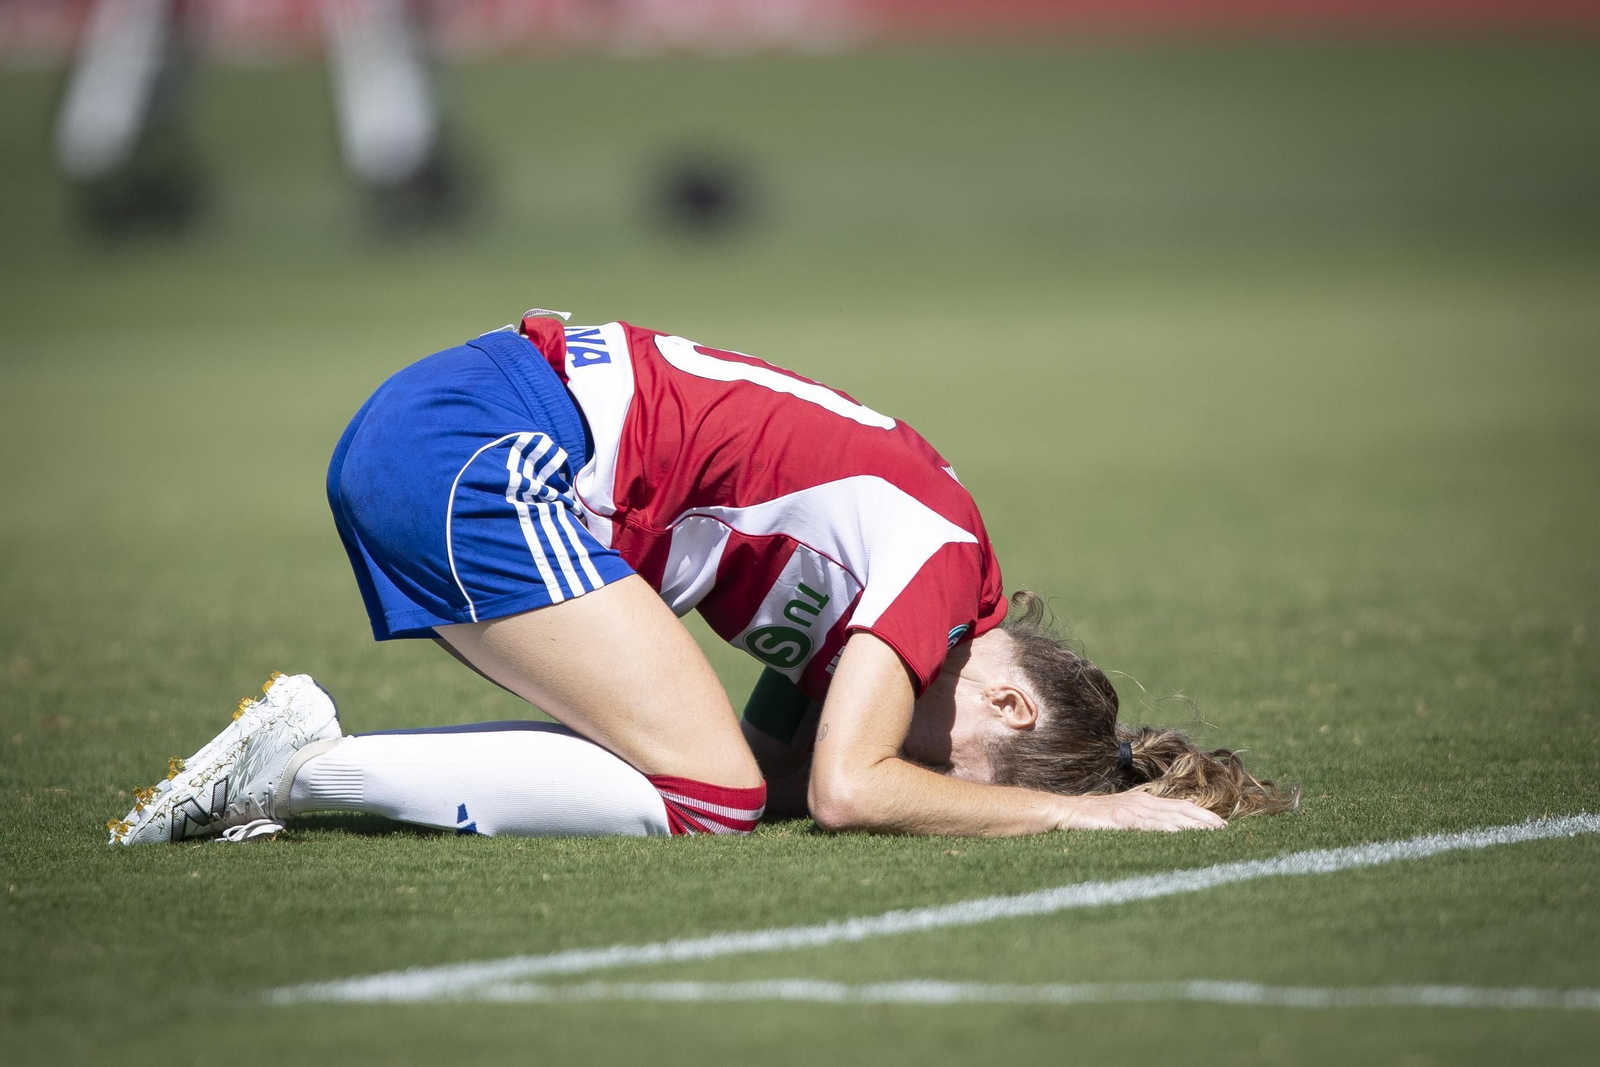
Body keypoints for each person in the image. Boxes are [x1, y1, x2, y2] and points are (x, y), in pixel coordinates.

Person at [107, 310, 1296, 846]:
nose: (913, 763)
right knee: (710, 795)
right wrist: (1071, 811)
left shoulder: (898, 600)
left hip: (457, 427)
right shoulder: (939, 574)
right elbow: (844, 787)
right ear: (1005, 700)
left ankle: (299, 768)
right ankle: (299, 771)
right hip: (478, 446)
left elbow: (783, 770)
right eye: (947, 761)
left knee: (706, 779)